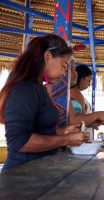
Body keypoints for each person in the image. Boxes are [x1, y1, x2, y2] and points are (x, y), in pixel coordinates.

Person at [0, 34, 90, 171]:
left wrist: (63, 132)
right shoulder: (24, 88)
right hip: (20, 176)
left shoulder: (38, 88)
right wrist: (65, 140)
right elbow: (20, 142)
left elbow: (40, 131)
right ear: (47, 57)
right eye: (64, 65)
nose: (64, 71)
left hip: (36, 172)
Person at [70, 64, 104, 138]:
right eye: (88, 80)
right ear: (81, 78)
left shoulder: (75, 93)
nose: (89, 84)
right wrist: (98, 114)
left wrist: (93, 122)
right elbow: (74, 120)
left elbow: (80, 121)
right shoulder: (68, 93)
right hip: (69, 140)